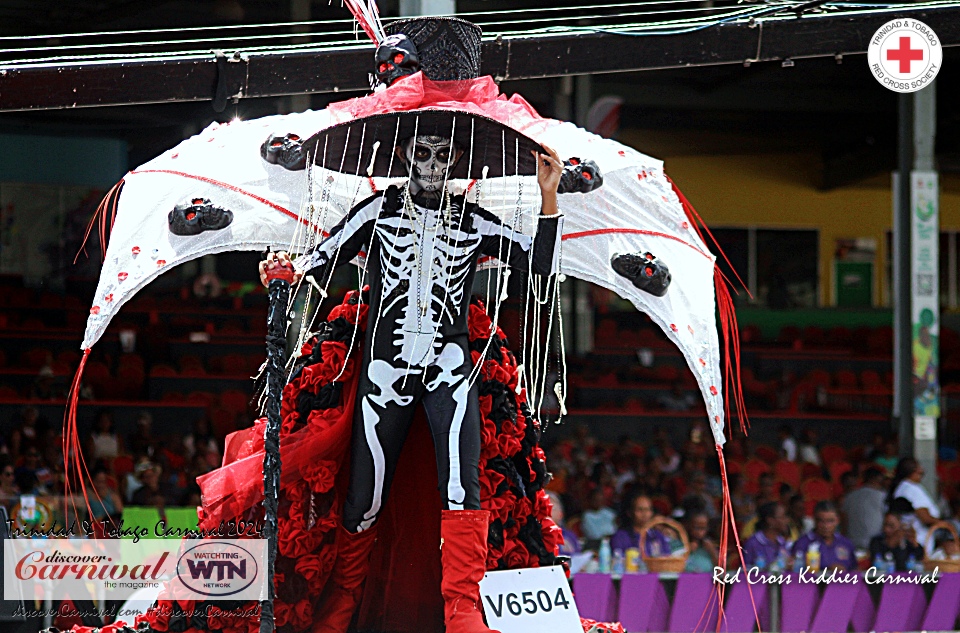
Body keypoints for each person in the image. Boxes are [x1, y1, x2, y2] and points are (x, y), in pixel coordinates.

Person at [260, 124, 565, 633]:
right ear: (405, 155)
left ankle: (461, 610)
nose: (431, 164)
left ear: (457, 160)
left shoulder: (474, 220)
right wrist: (282, 269)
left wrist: (548, 195)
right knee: (365, 495)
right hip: (385, 370)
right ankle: (342, 606)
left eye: (443, 155)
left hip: (450, 369)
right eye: (422, 152)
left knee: (462, 486)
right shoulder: (378, 211)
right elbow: (321, 258)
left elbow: (540, 264)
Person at [889, 457, 940, 554]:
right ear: (914, 471)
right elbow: (925, 518)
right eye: (919, 467)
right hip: (918, 541)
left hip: (910, 541)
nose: (922, 470)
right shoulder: (911, 489)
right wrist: (945, 524)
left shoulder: (902, 487)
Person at [791, 501, 856, 570]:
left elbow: (855, 569)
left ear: (838, 521)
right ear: (815, 521)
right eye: (821, 521)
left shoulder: (845, 543)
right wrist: (828, 570)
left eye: (830, 521)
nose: (826, 526)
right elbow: (795, 570)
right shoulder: (803, 543)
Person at [611, 491, 671, 557]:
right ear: (629, 513)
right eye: (640, 510)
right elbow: (617, 559)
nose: (645, 514)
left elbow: (667, 557)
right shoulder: (620, 537)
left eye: (648, 509)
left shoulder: (657, 535)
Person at [842, 467, 887, 550]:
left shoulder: (849, 497)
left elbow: (844, 522)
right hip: (875, 544)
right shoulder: (882, 496)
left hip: (853, 543)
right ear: (876, 480)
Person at [743, 502, 789, 570]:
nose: (787, 520)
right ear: (770, 520)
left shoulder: (782, 542)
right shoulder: (752, 543)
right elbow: (745, 571)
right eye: (783, 517)